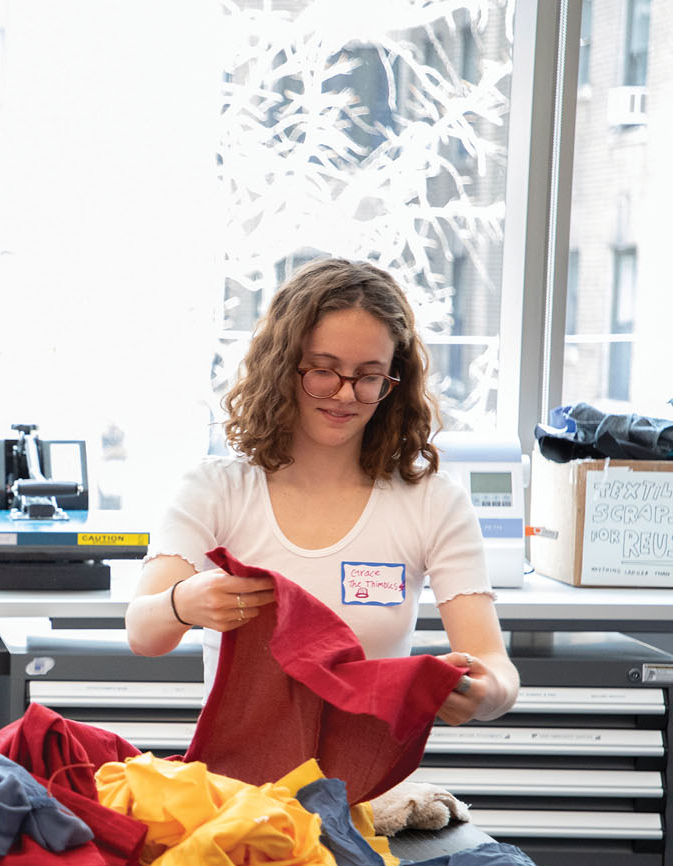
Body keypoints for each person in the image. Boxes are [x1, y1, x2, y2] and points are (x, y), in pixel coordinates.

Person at [125, 257, 518, 726]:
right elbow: (144, 633)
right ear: (282, 367)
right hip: (241, 794)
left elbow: (494, 665)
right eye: (324, 370)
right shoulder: (214, 490)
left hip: (370, 788)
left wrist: (483, 691)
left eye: (369, 375)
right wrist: (183, 603)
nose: (346, 394)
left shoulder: (432, 501)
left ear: (395, 379)